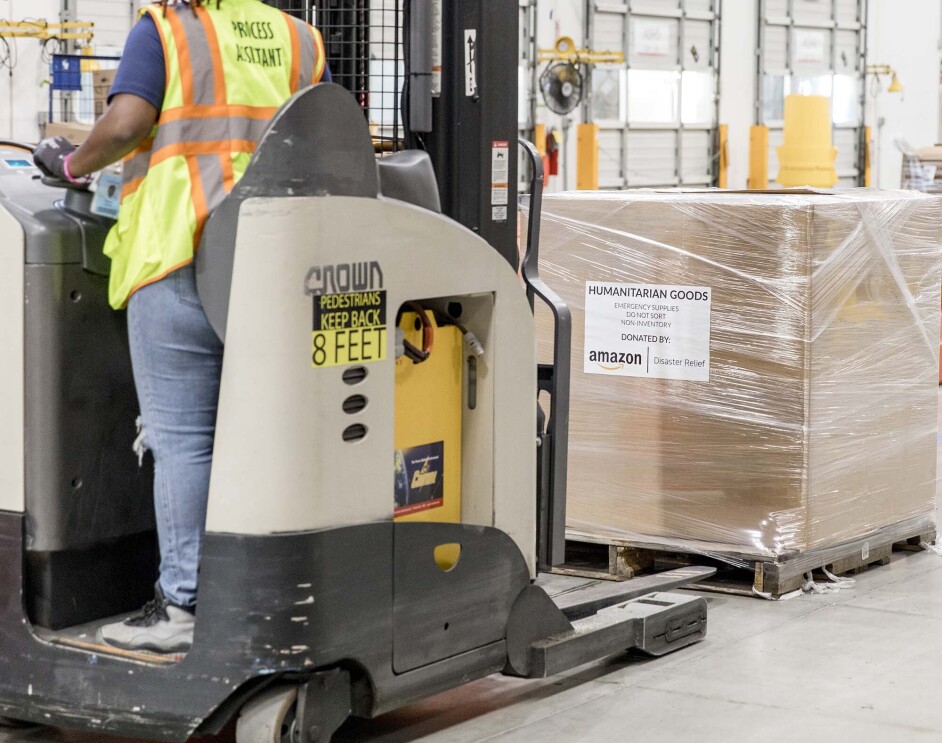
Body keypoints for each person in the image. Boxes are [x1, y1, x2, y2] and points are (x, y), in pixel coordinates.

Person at [33, 0, 329, 654]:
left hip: (181, 254)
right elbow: (320, 136)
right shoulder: (300, 39)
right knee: (256, 435)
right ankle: (266, 591)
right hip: (270, 263)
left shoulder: (167, 29)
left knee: (182, 438)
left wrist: (74, 164)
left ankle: (182, 604)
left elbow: (128, 123)